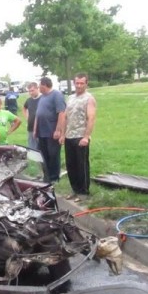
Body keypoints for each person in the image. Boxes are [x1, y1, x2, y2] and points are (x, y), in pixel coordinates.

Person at [60, 73, 96, 202]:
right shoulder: (70, 98)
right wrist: (63, 134)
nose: (79, 85)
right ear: (74, 83)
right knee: (71, 165)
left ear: (86, 84)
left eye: (82, 83)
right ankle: (75, 190)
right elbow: (65, 117)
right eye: (77, 83)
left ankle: (83, 192)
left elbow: (91, 118)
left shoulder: (89, 99)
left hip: (81, 136)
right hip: (69, 136)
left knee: (82, 166)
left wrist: (86, 137)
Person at [34, 77, 66, 183]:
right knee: (43, 155)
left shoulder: (56, 95)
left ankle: (54, 177)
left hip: (51, 131)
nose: (39, 88)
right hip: (41, 132)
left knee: (53, 154)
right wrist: (35, 130)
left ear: (44, 85)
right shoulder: (42, 97)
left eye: (39, 86)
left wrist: (58, 130)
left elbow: (61, 113)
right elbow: (38, 114)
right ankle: (46, 176)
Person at [22, 82, 41, 150]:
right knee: (32, 148)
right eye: (29, 91)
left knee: (41, 148)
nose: (31, 93)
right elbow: (24, 108)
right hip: (30, 128)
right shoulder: (29, 100)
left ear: (37, 89)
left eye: (32, 90)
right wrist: (27, 118)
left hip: (40, 128)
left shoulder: (42, 98)